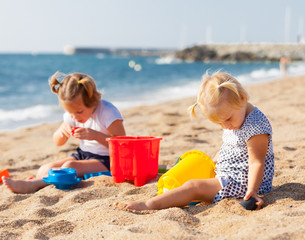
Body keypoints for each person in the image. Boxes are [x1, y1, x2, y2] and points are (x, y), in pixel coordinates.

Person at [123, 72, 274, 211]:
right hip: (228, 173)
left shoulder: (256, 127)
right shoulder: (236, 115)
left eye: (227, 119)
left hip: (242, 182)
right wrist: (213, 163)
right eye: (219, 123)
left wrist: (252, 191)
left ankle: (149, 204)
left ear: (241, 98)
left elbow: (256, 162)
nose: (225, 126)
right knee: (189, 169)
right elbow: (230, 147)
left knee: (193, 186)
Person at [2, 72, 126, 193]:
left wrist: (95, 135)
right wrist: (63, 132)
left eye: (79, 112)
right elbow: (58, 142)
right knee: (45, 169)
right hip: (83, 154)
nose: (75, 117)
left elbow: (123, 146)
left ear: (94, 100)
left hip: (107, 159)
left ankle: (33, 185)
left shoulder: (108, 112)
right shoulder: (73, 114)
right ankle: (39, 181)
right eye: (70, 112)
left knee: (68, 166)